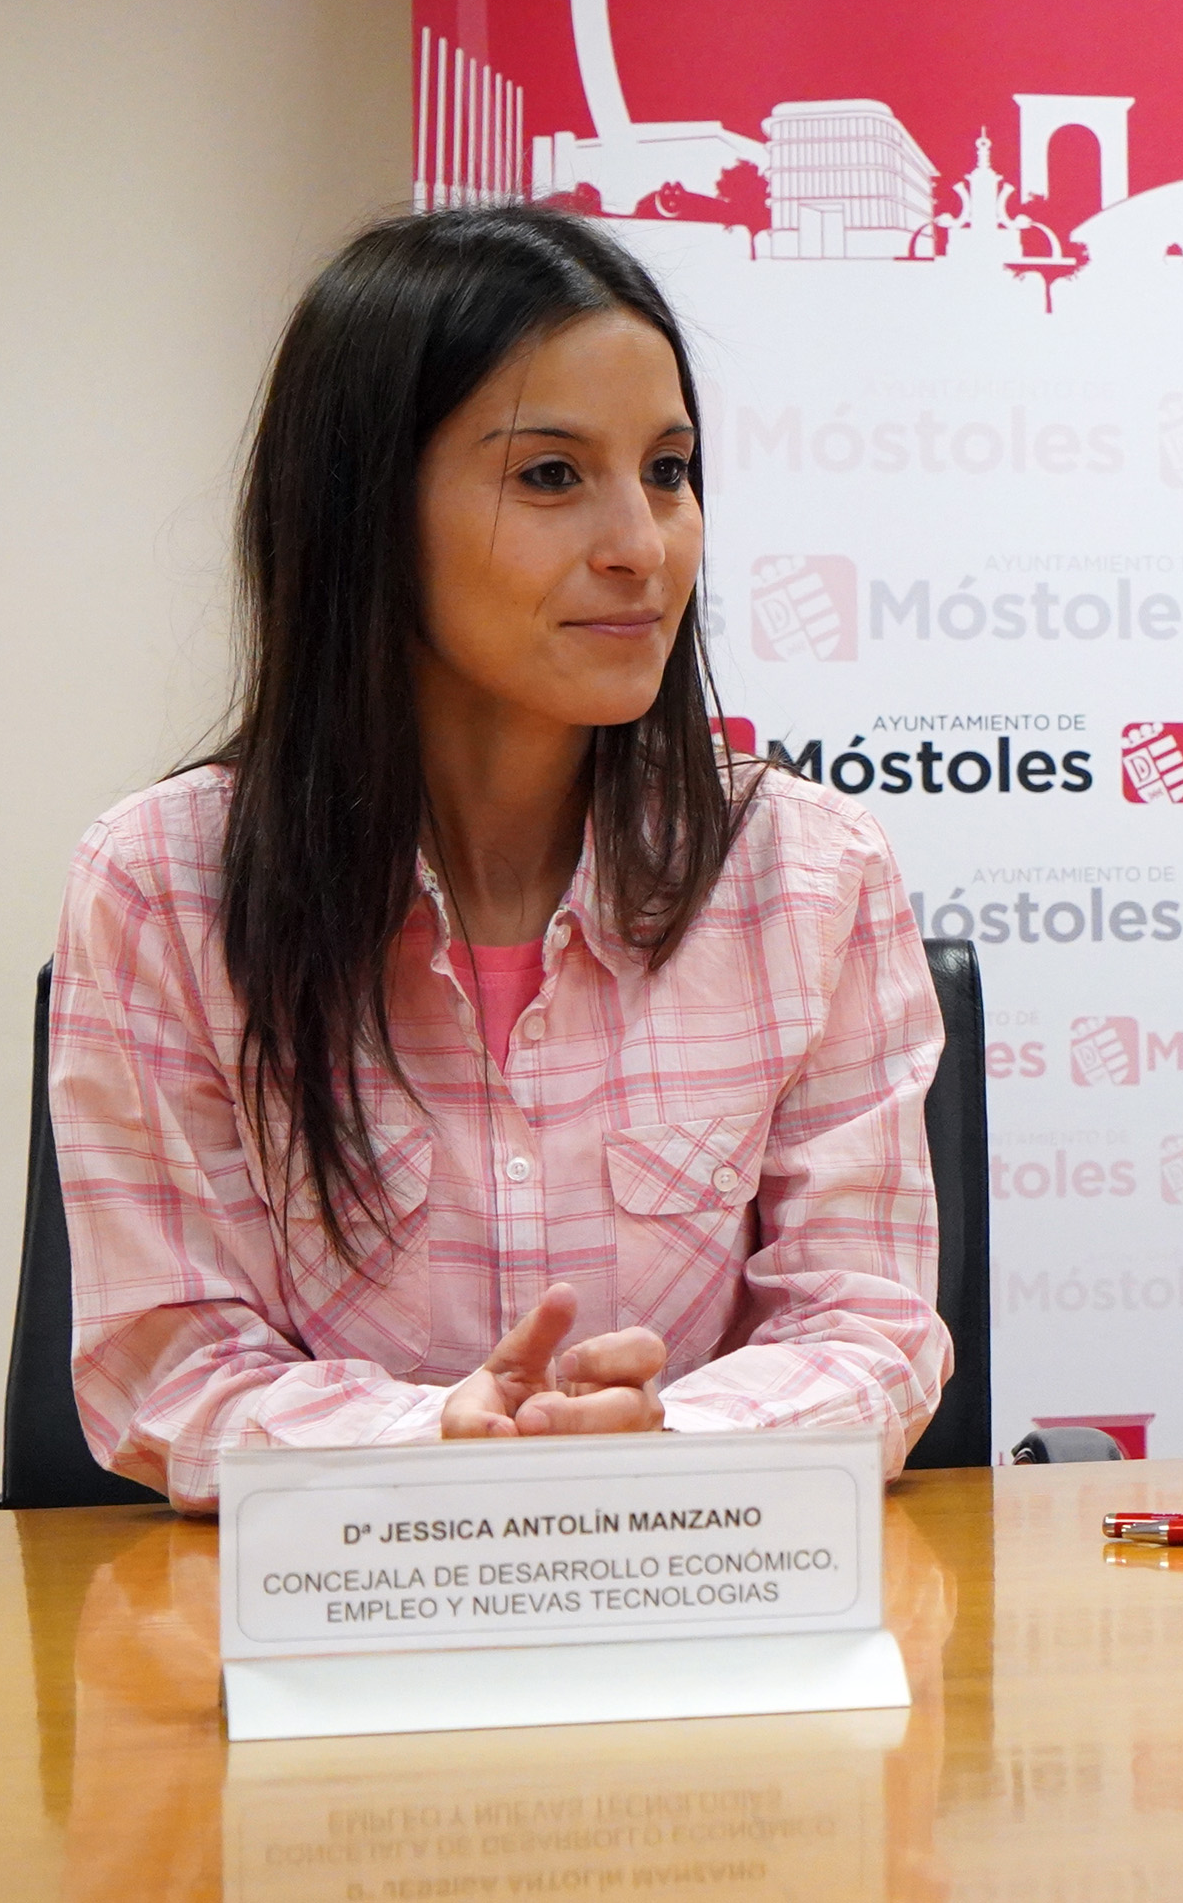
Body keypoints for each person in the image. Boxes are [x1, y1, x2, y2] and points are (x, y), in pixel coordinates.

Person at [51, 207, 949, 1508]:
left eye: (669, 469)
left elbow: (869, 1329)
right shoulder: (163, 882)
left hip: (705, 1576)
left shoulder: (807, 870)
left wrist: (660, 1441)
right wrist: (441, 1441)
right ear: (364, 509)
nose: (642, 543)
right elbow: (171, 1365)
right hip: (340, 1593)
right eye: (552, 475)